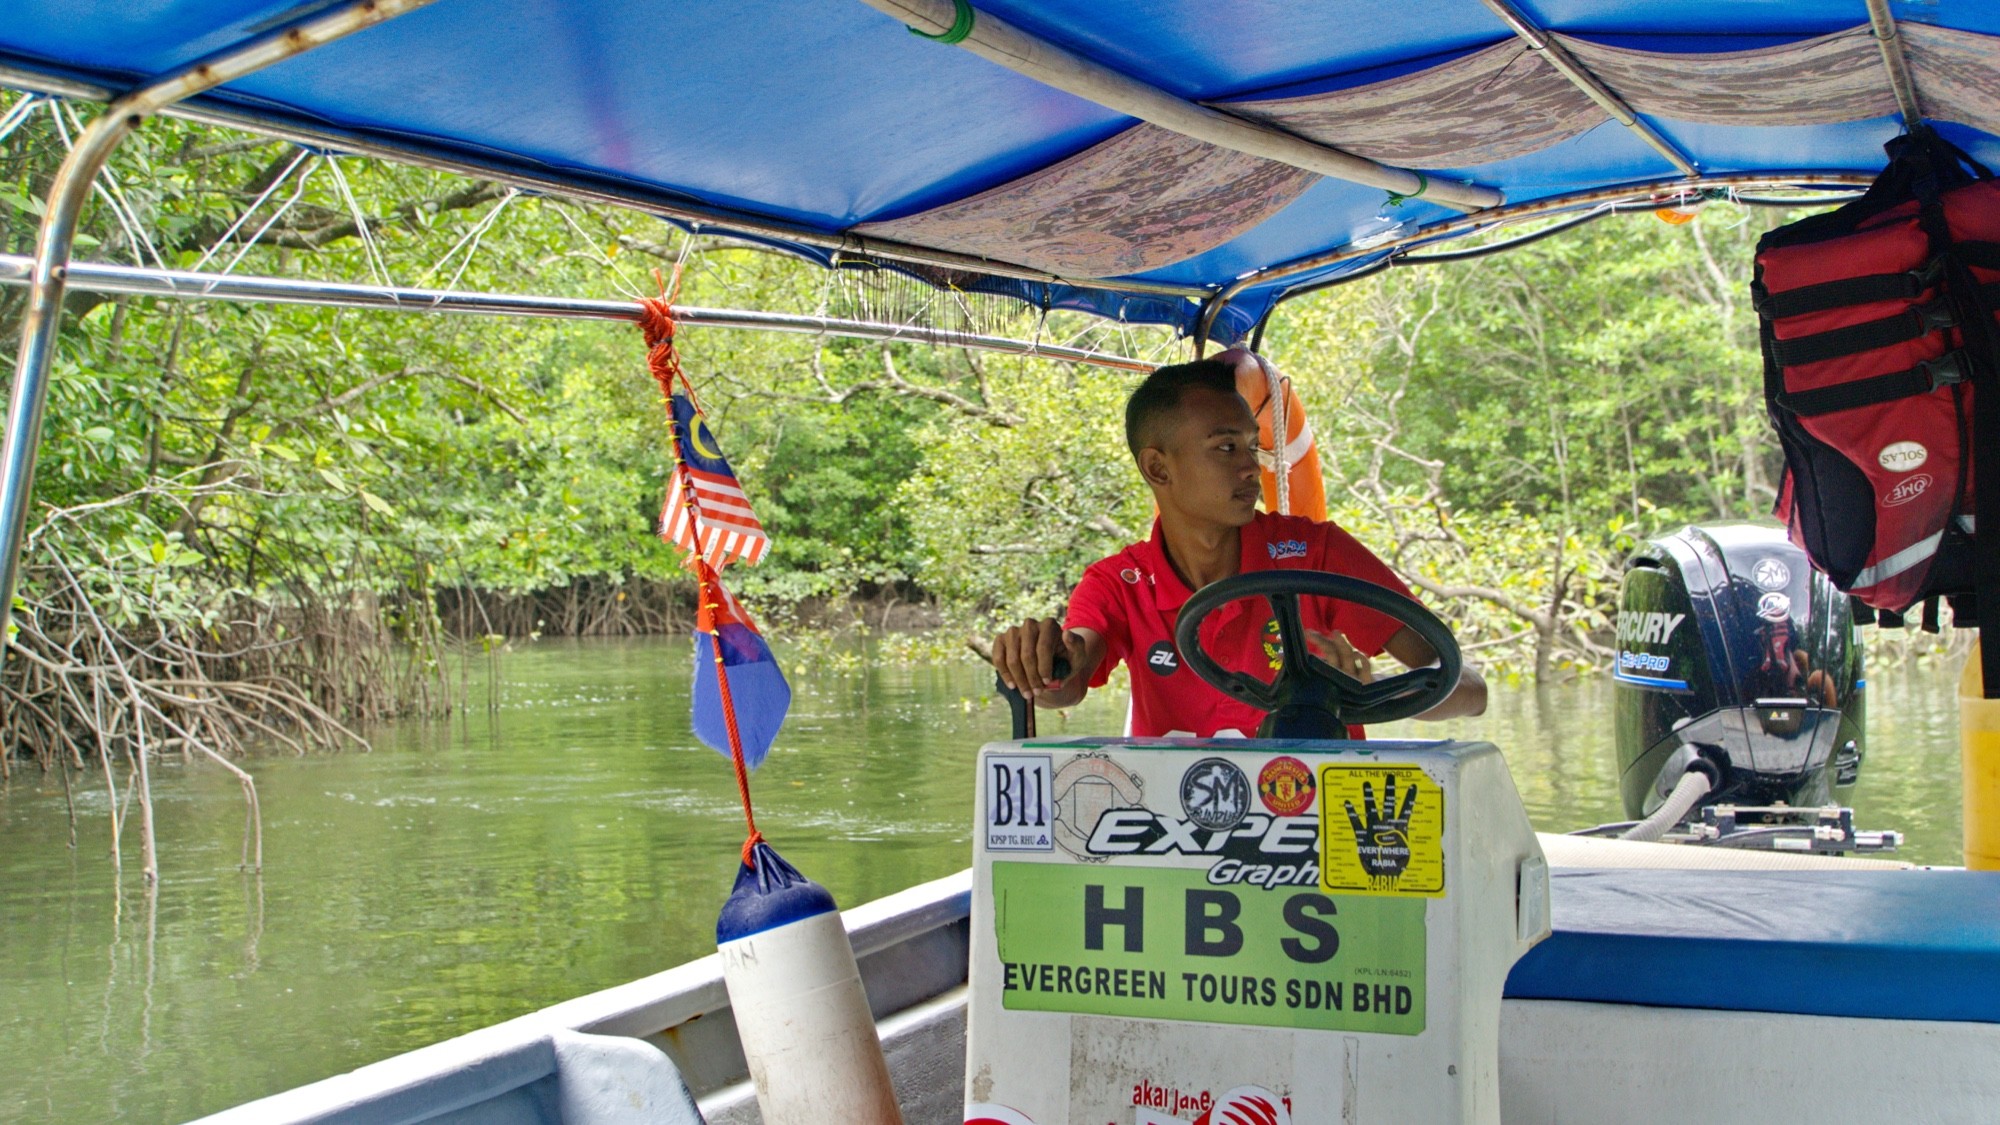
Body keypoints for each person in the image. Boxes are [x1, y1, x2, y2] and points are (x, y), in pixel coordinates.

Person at [991, 350, 1486, 738]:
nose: (1251, 466)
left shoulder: (1315, 555)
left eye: (1252, 446)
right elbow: (1069, 682)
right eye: (1226, 448)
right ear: (1158, 468)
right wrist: (1037, 666)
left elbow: (1469, 689)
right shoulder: (1119, 584)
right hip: (1180, 840)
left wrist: (1372, 691)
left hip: (1319, 830)